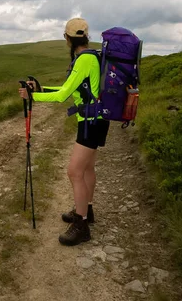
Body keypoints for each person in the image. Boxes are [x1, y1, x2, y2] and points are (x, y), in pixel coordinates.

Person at [18, 17, 110, 246]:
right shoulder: (92, 56)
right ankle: (87, 211)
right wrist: (41, 89)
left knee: (74, 172)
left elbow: (62, 96)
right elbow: (69, 89)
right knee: (87, 169)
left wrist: (33, 96)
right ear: (86, 37)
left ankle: (81, 226)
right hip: (96, 119)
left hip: (90, 122)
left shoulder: (83, 61)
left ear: (67, 38)